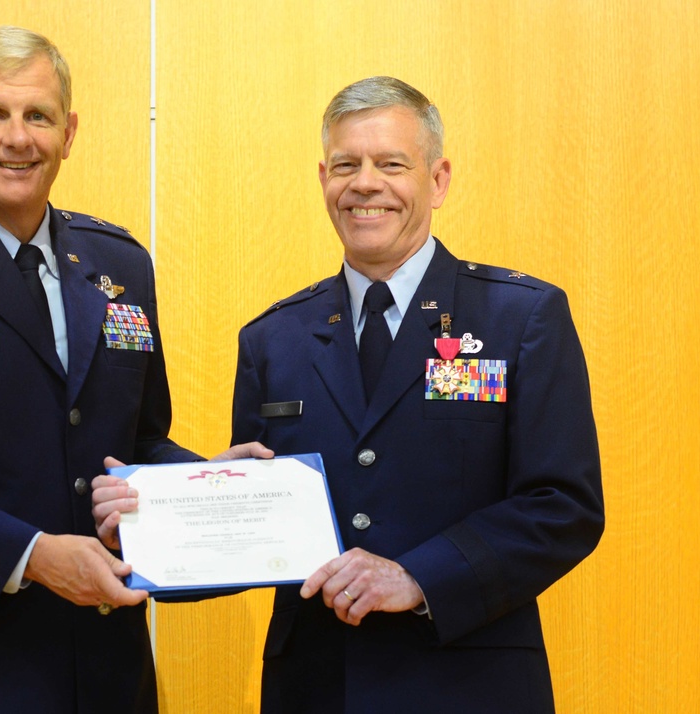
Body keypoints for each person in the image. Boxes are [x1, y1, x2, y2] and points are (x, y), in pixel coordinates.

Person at [93, 76, 604, 713]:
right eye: (346, 165)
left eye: (392, 164)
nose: (365, 184)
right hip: (313, 686)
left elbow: (563, 506)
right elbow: (259, 538)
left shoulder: (520, 317)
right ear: (324, 179)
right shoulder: (273, 339)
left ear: (438, 180)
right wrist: (155, 519)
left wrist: (417, 577)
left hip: (468, 685)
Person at [0, 25, 264, 714]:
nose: (17, 138)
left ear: (70, 131)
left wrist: (212, 488)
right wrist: (31, 556)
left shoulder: (119, 264)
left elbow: (138, 443)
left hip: (106, 669)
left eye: (39, 116)